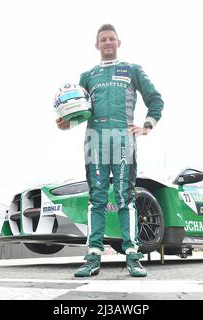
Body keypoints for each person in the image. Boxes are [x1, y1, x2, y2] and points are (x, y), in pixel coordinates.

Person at [56, 24, 164, 277]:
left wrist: (148, 125)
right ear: (97, 45)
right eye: (103, 39)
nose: (107, 43)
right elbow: (80, 111)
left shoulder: (132, 70)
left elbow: (156, 100)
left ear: (118, 42)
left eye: (111, 39)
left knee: (125, 197)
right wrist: (66, 123)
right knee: (97, 199)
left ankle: (132, 256)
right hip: (95, 139)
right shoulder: (87, 76)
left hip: (123, 138)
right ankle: (93, 256)